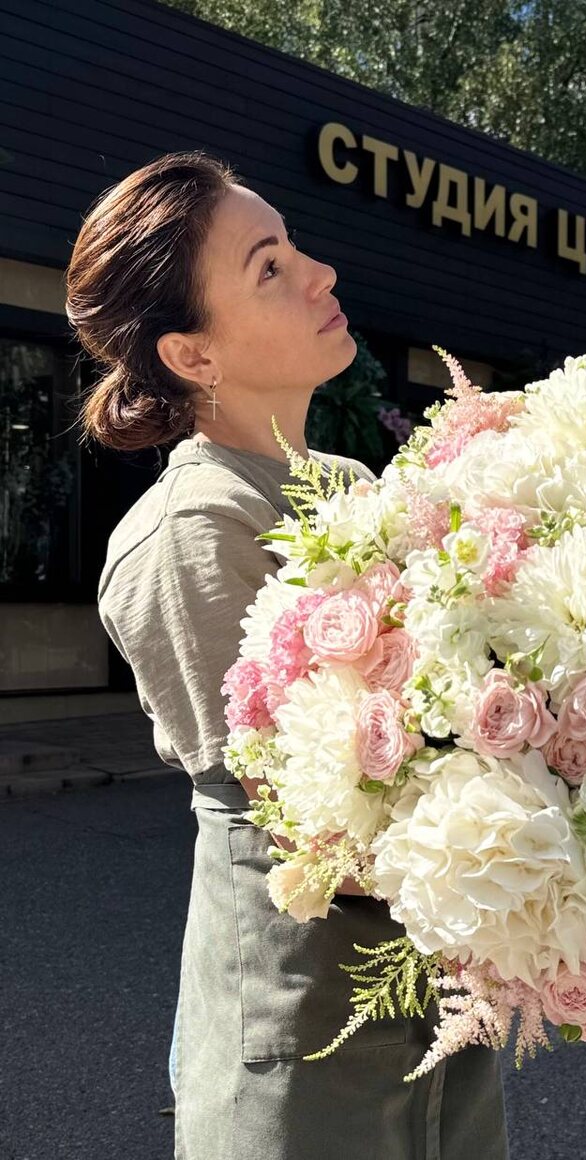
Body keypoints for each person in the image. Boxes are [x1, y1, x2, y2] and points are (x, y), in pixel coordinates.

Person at [68, 152, 508, 1160]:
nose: (321, 274)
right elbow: (301, 823)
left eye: (295, 245)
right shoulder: (194, 528)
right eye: (268, 266)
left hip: (442, 997)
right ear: (192, 353)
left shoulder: (351, 484)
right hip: (308, 1025)